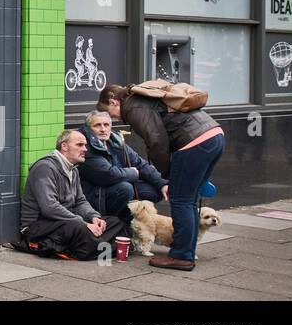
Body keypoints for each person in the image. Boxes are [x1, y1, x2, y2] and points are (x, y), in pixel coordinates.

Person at [98, 84, 224, 272]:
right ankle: (186, 252)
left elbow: (156, 139)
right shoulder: (144, 99)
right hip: (214, 135)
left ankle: (181, 256)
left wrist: (166, 174)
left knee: (181, 200)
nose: (115, 118)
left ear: (114, 102)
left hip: (194, 142)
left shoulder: (133, 107)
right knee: (188, 200)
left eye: (111, 113)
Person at [18, 129, 126, 260]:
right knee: (78, 227)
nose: (85, 149)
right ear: (64, 146)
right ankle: (95, 247)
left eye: (85, 145)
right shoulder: (45, 167)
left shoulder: (73, 170)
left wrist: (94, 217)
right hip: (38, 227)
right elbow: (49, 208)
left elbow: (80, 201)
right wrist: (84, 224)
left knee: (115, 222)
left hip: (66, 222)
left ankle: (93, 247)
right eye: (79, 145)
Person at [78, 110, 165, 222]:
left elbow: (140, 163)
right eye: (97, 125)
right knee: (125, 188)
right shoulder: (85, 146)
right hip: (94, 194)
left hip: (116, 186)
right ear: (89, 128)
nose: (103, 129)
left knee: (154, 189)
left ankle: (126, 220)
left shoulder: (115, 142)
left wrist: (162, 183)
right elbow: (108, 175)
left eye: (106, 125)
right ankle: (111, 222)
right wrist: (133, 172)